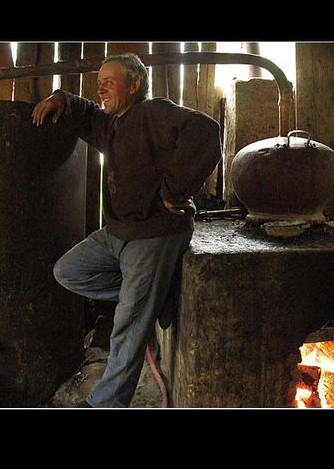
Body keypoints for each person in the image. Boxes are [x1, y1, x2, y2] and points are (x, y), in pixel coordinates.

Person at [31, 53, 221, 408]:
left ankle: (106, 402)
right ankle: (155, 296)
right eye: (99, 81)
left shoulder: (153, 113)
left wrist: (175, 190)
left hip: (154, 234)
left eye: (110, 81)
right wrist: (62, 98)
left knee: (128, 324)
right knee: (68, 271)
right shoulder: (111, 123)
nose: (100, 87)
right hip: (119, 232)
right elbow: (86, 113)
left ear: (134, 85)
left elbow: (206, 131)